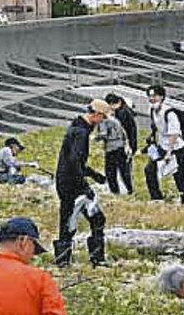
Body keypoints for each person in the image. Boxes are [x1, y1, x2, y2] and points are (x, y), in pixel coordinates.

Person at [55, 99, 109, 267]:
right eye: (103, 118)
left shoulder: (76, 128)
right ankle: (96, 259)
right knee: (96, 219)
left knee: (67, 220)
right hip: (73, 185)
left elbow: (74, 161)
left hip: (64, 181)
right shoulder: (81, 133)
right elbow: (74, 161)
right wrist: (84, 186)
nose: (102, 122)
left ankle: (63, 261)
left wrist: (93, 175)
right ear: (96, 115)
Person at [144, 85, 184, 204]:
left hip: (175, 148)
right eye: (150, 96)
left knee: (178, 173)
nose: (152, 99)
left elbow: (174, 134)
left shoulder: (169, 113)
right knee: (149, 169)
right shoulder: (153, 110)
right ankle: (156, 197)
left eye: (155, 96)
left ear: (162, 97)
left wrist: (169, 152)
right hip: (161, 146)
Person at [94, 103, 132, 195]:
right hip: (120, 146)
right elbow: (123, 132)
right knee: (123, 170)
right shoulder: (115, 120)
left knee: (110, 171)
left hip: (111, 148)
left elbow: (104, 134)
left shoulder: (104, 121)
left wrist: (95, 137)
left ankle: (115, 191)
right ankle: (129, 188)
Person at [106, 92, 137, 193]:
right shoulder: (123, 111)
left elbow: (126, 131)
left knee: (117, 169)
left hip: (121, 145)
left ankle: (123, 190)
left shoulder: (122, 113)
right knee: (121, 169)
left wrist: (129, 147)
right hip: (119, 145)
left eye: (112, 105)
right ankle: (127, 189)